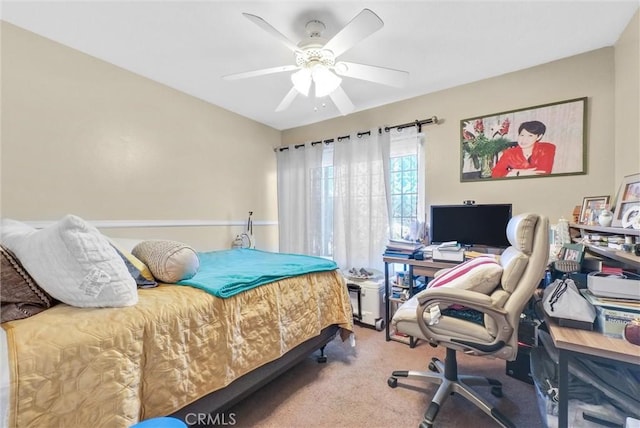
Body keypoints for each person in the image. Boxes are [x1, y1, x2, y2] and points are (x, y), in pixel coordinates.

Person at [491, 120, 555, 178]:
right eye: (522, 135)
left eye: (530, 136)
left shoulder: (547, 148)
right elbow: (495, 173)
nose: (524, 140)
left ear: (539, 137)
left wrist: (512, 171)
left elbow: (543, 173)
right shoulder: (509, 153)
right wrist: (518, 173)